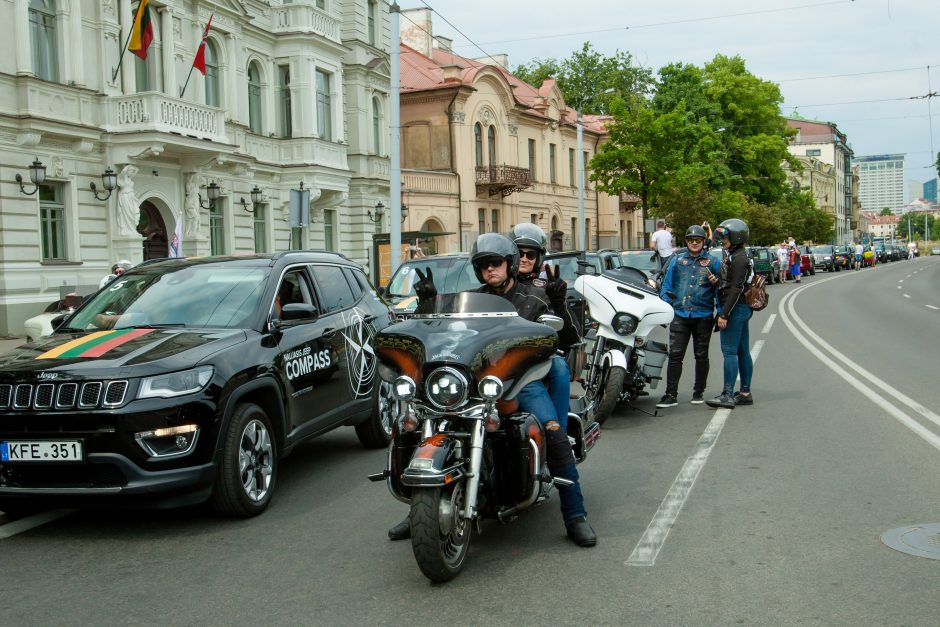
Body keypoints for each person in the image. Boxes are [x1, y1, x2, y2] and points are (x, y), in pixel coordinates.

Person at [389, 233, 597, 547]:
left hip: (521, 383)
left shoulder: (533, 299)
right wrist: (427, 302)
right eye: (484, 265)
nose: (490, 270)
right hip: (475, 386)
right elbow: (444, 334)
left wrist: (558, 303)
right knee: (417, 425)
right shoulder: (470, 300)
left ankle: (575, 514)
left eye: (496, 263)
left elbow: (565, 339)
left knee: (553, 429)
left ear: (509, 264)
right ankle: (420, 510)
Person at [509, 223, 582, 430]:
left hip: (535, 358)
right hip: (498, 356)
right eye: (518, 253)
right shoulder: (497, 285)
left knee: (558, 365)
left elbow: (572, 336)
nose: (523, 258)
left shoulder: (546, 288)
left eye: (530, 254)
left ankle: (559, 431)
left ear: (539, 258)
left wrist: (558, 302)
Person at [657, 225, 721, 408]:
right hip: (680, 314)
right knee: (675, 355)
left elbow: (721, 290)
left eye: (698, 240)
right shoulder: (677, 261)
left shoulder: (713, 262)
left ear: (703, 242)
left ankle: (698, 391)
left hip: (703, 314)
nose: (694, 243)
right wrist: (666, 304)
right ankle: (670, 394)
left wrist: (721, 311)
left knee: (701, 355)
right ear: (686, 241)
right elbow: (666, 286)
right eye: (691, 240)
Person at [706, 219, 755, 409]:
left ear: (736, 237)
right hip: (741, 308)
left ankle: (727, 394)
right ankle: (744, 392)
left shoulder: (740, 257)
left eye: (725, 237)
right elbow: (731, 281)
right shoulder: (737, 254)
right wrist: (717, 280)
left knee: (729, 352)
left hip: (734, 308)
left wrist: (724, 314)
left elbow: (736, 288)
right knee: (742, 351)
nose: (722, 240)